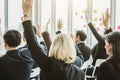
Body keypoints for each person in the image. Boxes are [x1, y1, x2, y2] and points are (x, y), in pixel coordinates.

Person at [21, 0, 85, 80]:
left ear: (54, 46)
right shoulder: (80, 73)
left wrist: (26, 14)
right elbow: (33, 44)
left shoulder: (48, 64)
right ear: (71, 48)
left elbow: (33, 44)